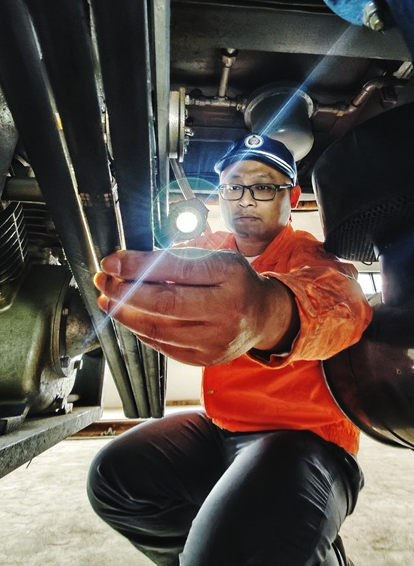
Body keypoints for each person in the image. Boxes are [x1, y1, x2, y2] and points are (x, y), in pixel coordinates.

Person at [87, 134, 373, 565]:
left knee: (229, 553)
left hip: (305, 441)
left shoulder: (311, 258)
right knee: (115, 478)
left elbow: (344, 307)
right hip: (222, 427)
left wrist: (268, 311)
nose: (245, 199)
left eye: (262, 186)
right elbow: (156, 268)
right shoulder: (208, 250)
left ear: (292, 196)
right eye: (233, 187)